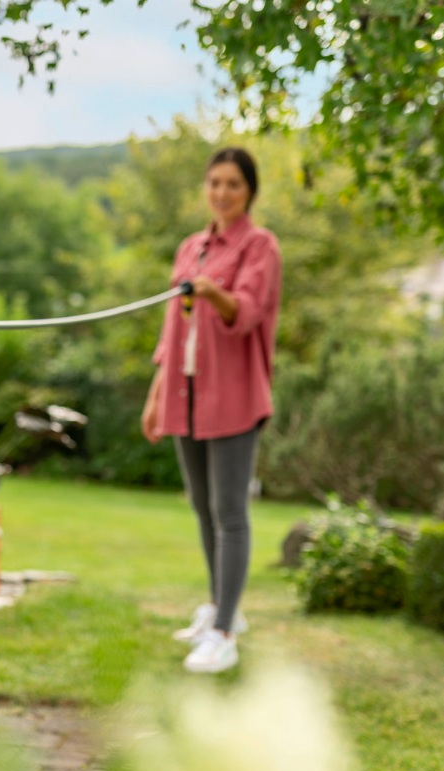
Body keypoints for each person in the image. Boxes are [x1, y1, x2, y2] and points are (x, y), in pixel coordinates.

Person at [140, 146, 282, 674]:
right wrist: (157, 393)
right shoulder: (190, 247)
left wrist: (212, 292)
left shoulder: (260, 246)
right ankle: (221, 606)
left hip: (234, 396)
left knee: (230, 513)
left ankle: (223, 633)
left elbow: (247, 312)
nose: (222, 193)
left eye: (233, 185)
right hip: (186, 394)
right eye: (215, 182)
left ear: (249, 192)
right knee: (203, 508)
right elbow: (172, 330)